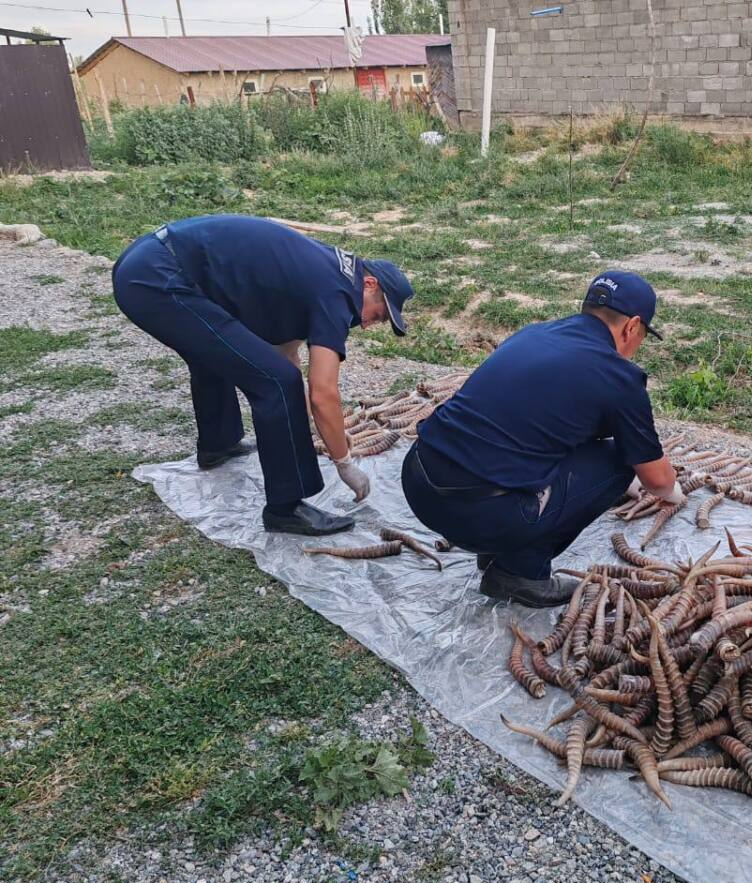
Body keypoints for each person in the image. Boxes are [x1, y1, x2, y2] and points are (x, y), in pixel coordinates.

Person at [112, 214, 413, 536]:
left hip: (147, 261)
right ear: (370, 284)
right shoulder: (338, 294)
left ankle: (218, 443)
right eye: (377, 314)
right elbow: (323, 392)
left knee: (221, 353)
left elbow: (288, 355)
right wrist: (343, 461)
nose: (368, 324)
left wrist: (323, 427)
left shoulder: (331, 272)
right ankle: (285, 508)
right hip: (157, 280)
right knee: (275, 383)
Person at [402, 271, 681, 607]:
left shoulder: (533, 334)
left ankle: (496, 547)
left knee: (537, 447)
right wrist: (673, 493)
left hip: (419, 482)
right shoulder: (617, 375)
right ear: (632, 326)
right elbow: (658, 480)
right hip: (475, 514)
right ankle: (519, 572)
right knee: (618, 463)